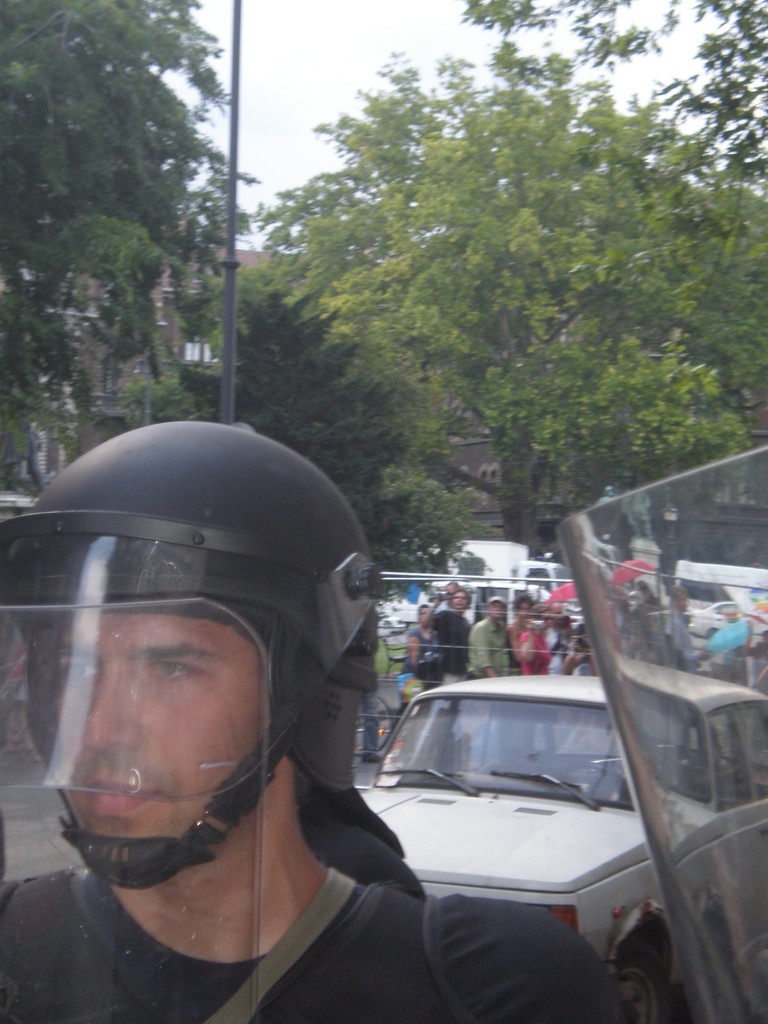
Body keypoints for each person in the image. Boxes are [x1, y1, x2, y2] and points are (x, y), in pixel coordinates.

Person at [0, 422, 622, 1024]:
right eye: (74, 666)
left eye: (171, 667)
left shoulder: (492, 992)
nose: (100, 731)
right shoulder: (16, 949)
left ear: (307, 689)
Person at [432, 586, 472, 683]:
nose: (459, 600)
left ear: (467, 603)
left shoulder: (465, 623)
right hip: (447, 672)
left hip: (462, 671)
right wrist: (435, 606)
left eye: (463, 598)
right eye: (456, 597)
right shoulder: (445, 615)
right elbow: (427, 623)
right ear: (451, 601)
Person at [467, 597, 508, 678]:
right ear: (488, 609)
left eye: (500, 607)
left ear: (504, 611)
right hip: (482, 677)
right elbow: (483, 658)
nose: (497, 609)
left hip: (499, 675)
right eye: (494, 606)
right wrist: (493, 680)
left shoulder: (502, 626)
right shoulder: (481, 628)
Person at [402, 604, 441, 688]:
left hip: (430, 674)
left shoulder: (432, 633)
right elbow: (414, 662)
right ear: (419, 616)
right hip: (416, 678)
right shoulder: (414, 634)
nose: (428, 617)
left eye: (429, 614)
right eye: (424, 613)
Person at [518, 607, 553, 675]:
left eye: (550, 618)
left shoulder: (543, 638)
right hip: (531, 680)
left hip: (544, 679)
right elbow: (528, 658)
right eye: (545, 618)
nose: (549, 621)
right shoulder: (526, 636)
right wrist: (530, 631)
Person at [506, 591, 533, 674]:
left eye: (527, 609)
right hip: (516, 670)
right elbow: (518, 657)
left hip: (530, 669)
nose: (524, 613)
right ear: (516, 610)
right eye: (521, 609)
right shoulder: (512, 628)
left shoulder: (531, 626)